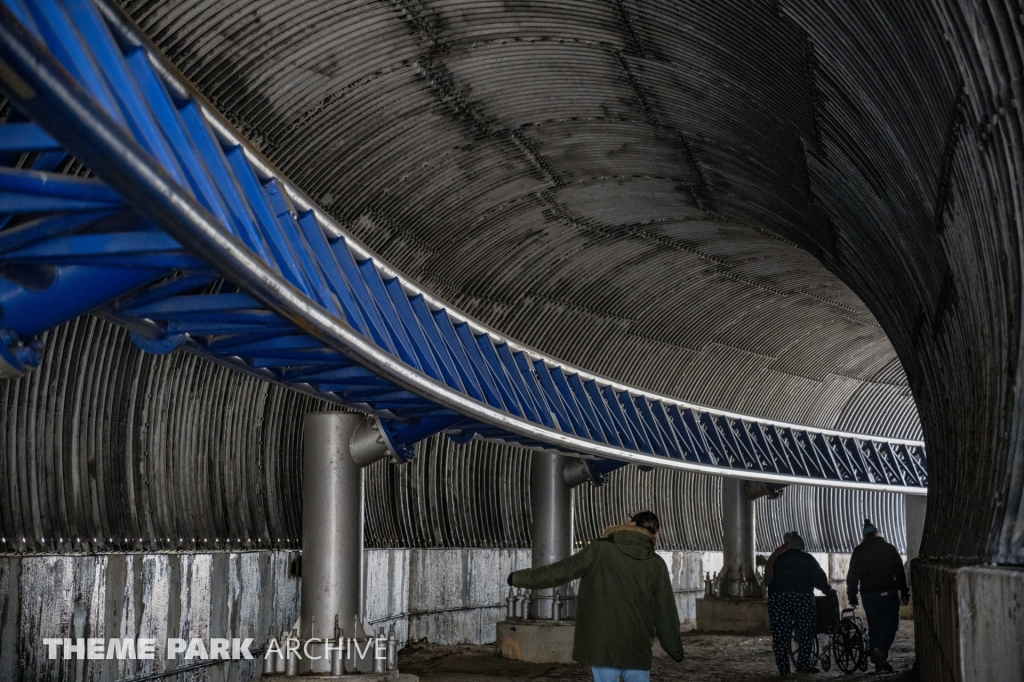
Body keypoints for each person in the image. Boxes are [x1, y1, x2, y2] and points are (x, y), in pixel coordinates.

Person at [507, 510, 684, 682]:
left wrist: (519, 578)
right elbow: (665, 610)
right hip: (637, 646)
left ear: (633, 523)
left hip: (602, 643)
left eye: (629, 517)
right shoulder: (656, 563)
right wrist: (675, 650)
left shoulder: (600, 550)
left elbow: (560, 571)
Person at [846, 519, 908, 673]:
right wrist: (904, 591)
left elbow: (852, 575)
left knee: (874, 625)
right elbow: (900, 572)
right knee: (891, 624)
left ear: (865, 536)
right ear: (878, 533)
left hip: (869, 594)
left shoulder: (859, 551)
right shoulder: (889, 548)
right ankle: (881, 651)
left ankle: (876, 656)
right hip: (889, 592)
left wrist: (852, 595)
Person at [767, 532, 834, 676]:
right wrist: (828, 591)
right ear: (802, 547)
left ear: (789, 546)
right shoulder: (808, 559)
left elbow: (770, 577)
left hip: (778, 597)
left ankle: (784, 670)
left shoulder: (780, 559)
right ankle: (803, 665)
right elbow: (819, 578)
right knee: (806, 632)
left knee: (780, 635)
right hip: (802, 597)